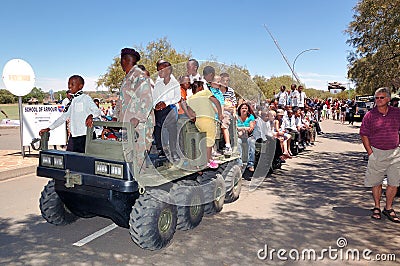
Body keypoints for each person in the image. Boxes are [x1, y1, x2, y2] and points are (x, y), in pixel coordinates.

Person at [360, 87, 400, 222]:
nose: (378, 100)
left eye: (381, 97)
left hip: (395, 153)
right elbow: (364, 134)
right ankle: (376, 207)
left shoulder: (397, 113)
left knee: (394, 183)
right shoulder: (370, 115)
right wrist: (370, 153)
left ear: (388, 99)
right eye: (376, 98)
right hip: (376, 153)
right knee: (376, 182)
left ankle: (388, 208)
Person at [39, 75, 102, 153]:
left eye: (72, 84)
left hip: (85, 136)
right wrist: (49, 128)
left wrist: (91, 116)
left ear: (80, 86)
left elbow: (97, 111)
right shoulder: (72, 101)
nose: (69, 86)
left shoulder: (86, 98)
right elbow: (63, 117)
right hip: (74, 136)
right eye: (68, 84)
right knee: (70, 158)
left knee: (85, 161)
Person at [117, 47, 154, 169]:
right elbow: (122, 102)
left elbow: (147, 99)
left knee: (139, 158)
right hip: (127, 125)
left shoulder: (139, 76)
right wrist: (114, 118)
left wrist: (137, 118)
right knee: (129, 157)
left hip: (140, 126)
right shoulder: (128, 77)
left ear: (124, 61)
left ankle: (140, 186)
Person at [186, 80, 223, 169]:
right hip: (208, 119)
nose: (204, 88)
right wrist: (220, 114)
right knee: (209, 140)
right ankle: (208, 161)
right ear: (199, 88)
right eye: (202, 86)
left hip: (198, 121)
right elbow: (216, 101)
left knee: (203, 140)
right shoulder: (205, 92)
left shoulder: (190, 98)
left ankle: (208, 159)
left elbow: (190, 113)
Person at [152, 61, 181, 161]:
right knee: (158, 130)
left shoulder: (175, 83)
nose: (159, 72)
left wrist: (166, 103)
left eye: (161, 70)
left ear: (168, 70)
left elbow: (177, 97)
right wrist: (155, 105)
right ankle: (161, 151)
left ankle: (174, 152)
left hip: (170, 109)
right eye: (158, 70)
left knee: (172, 130)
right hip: (159, 110)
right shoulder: (158, 84)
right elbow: (154, 97)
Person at [210, 75, 232, 156]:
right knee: (212, 132)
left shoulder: (219, 92)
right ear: (212, 82)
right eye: (218, 82)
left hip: (219, 114)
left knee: (223, 125)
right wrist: (218, 112)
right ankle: (212, 149)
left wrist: (221, 113)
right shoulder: (210, 91)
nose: (220, 84)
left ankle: (227, 145)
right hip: (212, 113)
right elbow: (211, 104)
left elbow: (222, 103)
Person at [237, 102, 256, 171]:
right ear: (239, 110)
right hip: (239, 136)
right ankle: (239, 163)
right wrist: (244, 128)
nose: (244, 110)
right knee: (237, 142)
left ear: (248, 109)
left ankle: (250, 164)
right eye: (242, 108)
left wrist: (241, 129)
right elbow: (235, 127)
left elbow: (251, 128)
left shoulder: (251, 117)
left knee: (251, 142)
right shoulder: (237, 117)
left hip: (248, 135)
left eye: (246, 108)